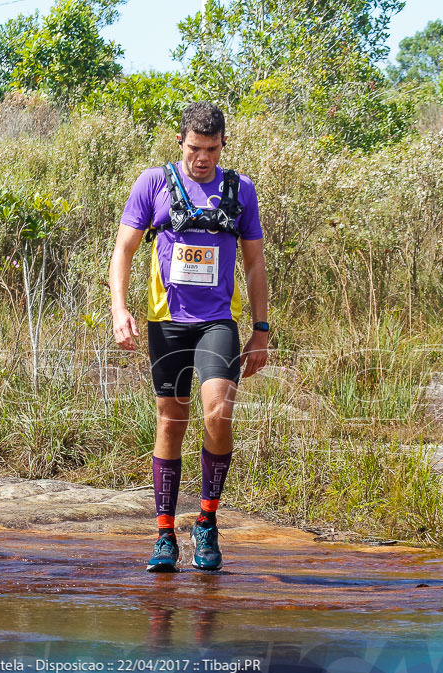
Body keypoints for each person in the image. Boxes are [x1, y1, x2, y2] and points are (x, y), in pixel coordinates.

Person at [108, 101, 269, 572]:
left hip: (218, 320)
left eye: (212, 150)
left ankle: (207, 521)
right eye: (196, 148)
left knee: (218, 412)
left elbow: (256, 263)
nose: (203, 158)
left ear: (223, 146)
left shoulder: (241, 190)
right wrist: (120, 309)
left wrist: (260, 329)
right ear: (180, 141)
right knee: (170, 423)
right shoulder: (152, 184)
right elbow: (124, 249)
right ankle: (163, 534)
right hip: (167, 322)